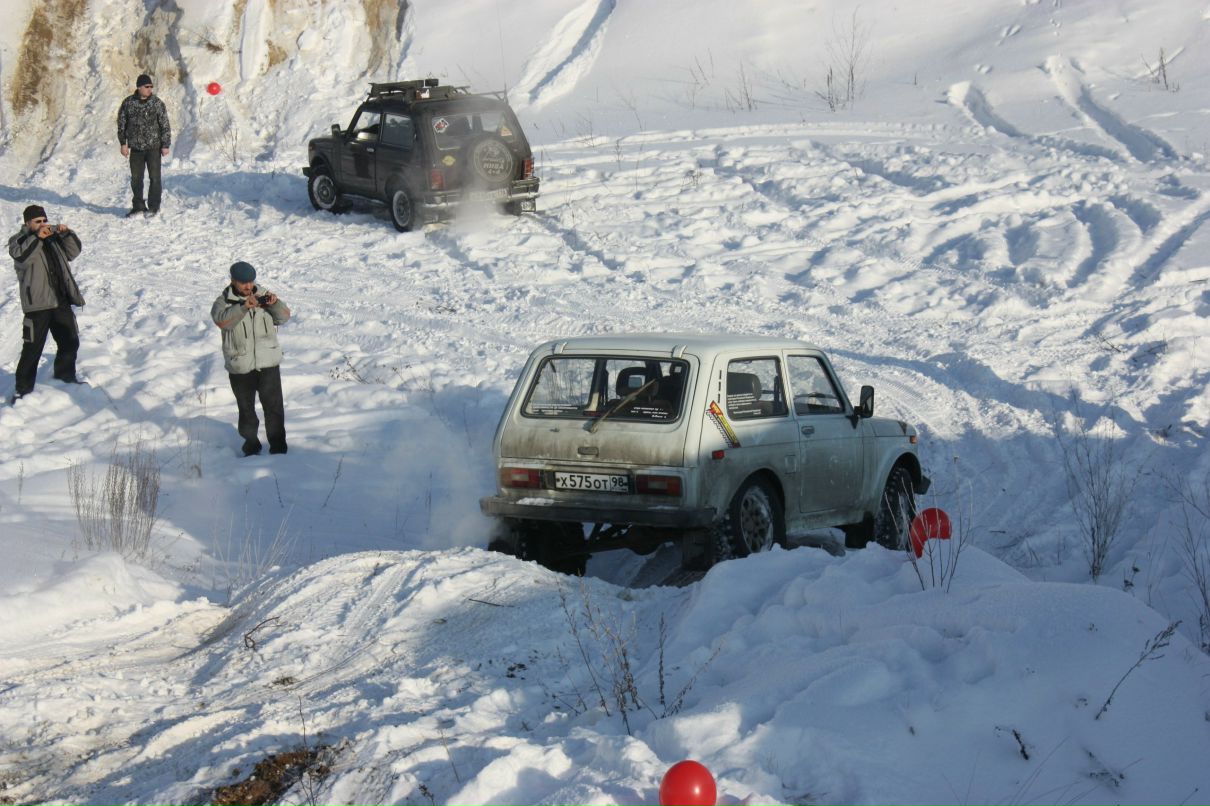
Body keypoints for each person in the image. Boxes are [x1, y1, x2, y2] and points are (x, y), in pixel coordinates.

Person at [7, 204, 86, 404]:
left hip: (60, 301)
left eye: (44, 220)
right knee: (32, 350)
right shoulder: (19, 240)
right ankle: (23, 390)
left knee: (70, 341)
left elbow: (74, 252)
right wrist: (38, 238)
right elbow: (21, 256)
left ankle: (65, 377)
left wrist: (66, 234)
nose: (43, 224)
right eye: (37, 221)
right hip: (37, 306)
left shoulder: (52, 239)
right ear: (28, 223)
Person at [211, 261, 291, 456]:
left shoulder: (263, 295)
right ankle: (251, 447)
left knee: (274, 410)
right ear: (233, 281)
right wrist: (244, 307)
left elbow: (283, 317)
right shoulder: (223, 302)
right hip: (240, 366)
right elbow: (223, 322)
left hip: (268, 364)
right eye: (243, 283)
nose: (248, 286)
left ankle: (279, 450)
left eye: (250, 282)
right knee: (246, 412)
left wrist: (275, 304)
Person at [116, 73, 171, 217]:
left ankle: (153, 207)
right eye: (147, 86)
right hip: (136, 149)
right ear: (139, 87)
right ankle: (138, 206)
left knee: (155, 178)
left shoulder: (157, 103)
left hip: (154, 147)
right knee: (136, 179)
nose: (150, 89)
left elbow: (165, 124)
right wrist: (123, 143)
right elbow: (122, 124)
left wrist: (165, 144)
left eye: (151, 87)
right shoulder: (128, 103)